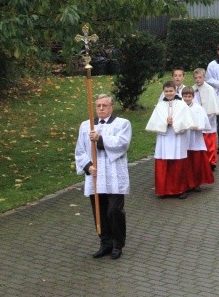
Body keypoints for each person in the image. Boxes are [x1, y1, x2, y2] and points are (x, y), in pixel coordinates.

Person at [75, 94, 132, 260]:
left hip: (114, 173)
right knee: (98, 210)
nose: (101, 108)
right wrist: (88, 166)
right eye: (98, 105)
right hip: (95, 175)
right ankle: (105, 242)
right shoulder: (86, 126)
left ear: (111, 107)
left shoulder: (122, 124)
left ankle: (117, 244)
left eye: (104, 105)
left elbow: (122, 144)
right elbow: (80, 151)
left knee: (114, 210)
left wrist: (100, 139)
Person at [146, 81, 195, 199]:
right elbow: (155, 121)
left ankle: (180, 189)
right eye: (166, 91)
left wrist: (175, 123)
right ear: (163, 92)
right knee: (164, 163)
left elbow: (187, 120)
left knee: (178, 163)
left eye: (171, 91)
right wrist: (164, 123)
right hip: (164, 137)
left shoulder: (182, 104)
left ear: (175, 91)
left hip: (178, 137)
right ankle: (164, 189)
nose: (169, 93)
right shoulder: (160, 105)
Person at [182, 87, 215, 192]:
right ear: (182, 97)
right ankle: (187, 183)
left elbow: (205, 123)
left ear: (193, 97)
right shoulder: (180, 107)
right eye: (185, 96)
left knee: (196, 162)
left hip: (195, 138)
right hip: (184, 138)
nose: (187, 98)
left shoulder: (198, 108)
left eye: (189, 96)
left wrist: (198, 126)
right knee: (185, 163)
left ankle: (196, 183)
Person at [192, 68, 219, 171]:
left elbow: (213, 105)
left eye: (200, 77)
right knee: (201, 142)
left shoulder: (209, 89)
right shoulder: (193, 89)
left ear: (204, 77)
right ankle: (203, 162)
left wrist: (207, 116)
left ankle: (212, 161)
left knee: (210, 142)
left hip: (209, 119)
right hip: (198, 120)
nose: (198, 80)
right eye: (196, 78)